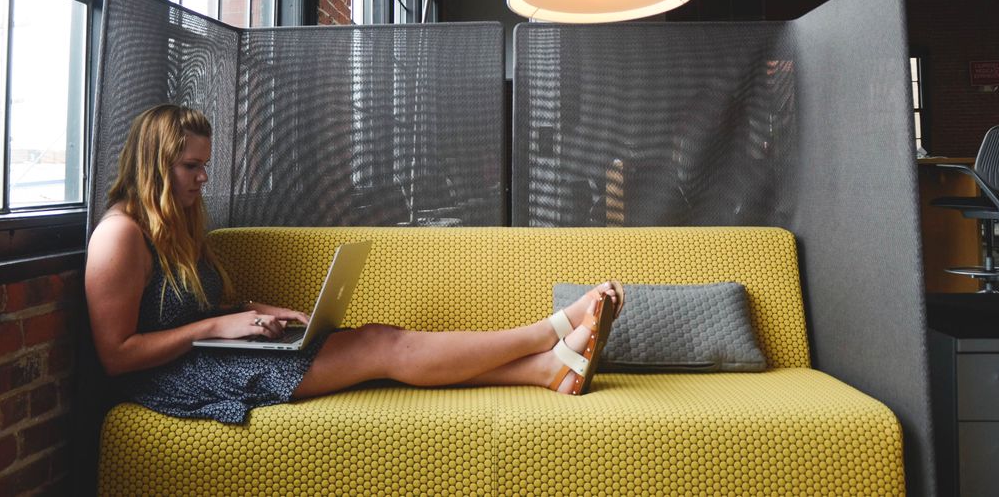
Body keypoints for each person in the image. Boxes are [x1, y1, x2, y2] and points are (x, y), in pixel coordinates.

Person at [85, 104, 624, 424]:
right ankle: (547, 331)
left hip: (210, 356)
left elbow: (190, 309)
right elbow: (116, 356)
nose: (203, 178)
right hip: (176, 381)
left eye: (204, 164)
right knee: (381, 346)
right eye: (191, 166)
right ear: (155, 164)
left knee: (380, 338)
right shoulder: (119, 237)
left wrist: (250, 313)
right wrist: (215, 326)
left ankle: (546, 370)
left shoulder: (176, 222)